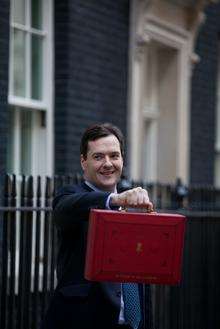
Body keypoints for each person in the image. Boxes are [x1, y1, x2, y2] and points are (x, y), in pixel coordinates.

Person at [41, 123, 154, 329]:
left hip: (131, 323)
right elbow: (65, 208)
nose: (108, 163)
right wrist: (113, 199)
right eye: (98, 156)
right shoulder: (70, 196)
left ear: (122, 159)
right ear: (84, 162)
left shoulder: (134, 204)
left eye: (114, 155)